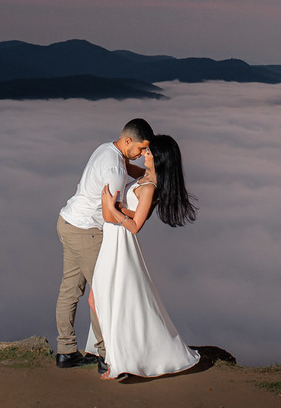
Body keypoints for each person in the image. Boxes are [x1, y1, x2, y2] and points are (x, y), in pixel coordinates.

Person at [84, 133, 199, 380]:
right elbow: (126, 168)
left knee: (105, 298)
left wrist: (113, 209)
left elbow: (136, 225)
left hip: (121, 242)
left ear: (159, 158)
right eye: (145, 150)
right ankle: (114, 355)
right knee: (99, 298)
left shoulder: (149, 187)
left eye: (149, 152)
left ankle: (116, 360)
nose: (144, 154)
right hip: (112, 238)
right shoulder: (145, 177)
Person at [55, 118, 152, 370]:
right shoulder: (116, 169)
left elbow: (127, 167)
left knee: (70, 290)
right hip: (87, 231)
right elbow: (110, 215)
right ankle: (105, 355)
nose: (142, 154)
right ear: (128, 140)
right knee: (101, 293)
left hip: (68, 222)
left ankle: (66, 351)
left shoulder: (107, 150)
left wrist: (148, 174)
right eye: (141, 148)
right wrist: (135, 213)